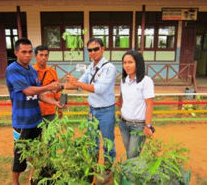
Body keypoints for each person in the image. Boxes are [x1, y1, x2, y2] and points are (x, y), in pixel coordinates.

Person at [5, 38, 62, 185]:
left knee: (35, 150)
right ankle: (15, 181)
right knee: (20, 153)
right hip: (22, 121)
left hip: (36, 120)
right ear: (16, 52)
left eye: (30, 52)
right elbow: (28, 91)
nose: (27, 55)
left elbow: (39, 95)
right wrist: (49, 87)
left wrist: (54, 102)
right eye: (24, 52)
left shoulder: (31, 70)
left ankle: (32, 176)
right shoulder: (12, 69)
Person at [66, 38, 116, 169]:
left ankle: (107, 169)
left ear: (102, 49)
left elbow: (99, 89)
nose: (93, 52)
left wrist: (77, 83)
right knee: (92, 141)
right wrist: (61, 87)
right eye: (90, 50)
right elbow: (80, 85)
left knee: (108, 142)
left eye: (96, 49)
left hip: (106, 111)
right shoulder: (91, 67)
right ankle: (93, 167)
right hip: (92, 110)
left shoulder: (109, 68)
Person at [119, 50, 155, 159]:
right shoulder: (124, 80)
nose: (127, 65)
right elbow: (123, 99)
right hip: (123, 124)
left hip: (138, 125)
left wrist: (148, 126)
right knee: (130, 154)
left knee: (132, 156)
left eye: (130, 62)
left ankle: (131, 175)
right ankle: (133, 174)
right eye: (124, 62)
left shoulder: (146, 81)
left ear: (138, 63)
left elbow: (149, 105)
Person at [33, 45, 63, 121]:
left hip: (50, 110)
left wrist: (60, 107)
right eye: (41, 55)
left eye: (46, 55)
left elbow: (57, 92)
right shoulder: (31, 72)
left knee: (51, 132)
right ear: (35, 56)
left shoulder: (52, 72)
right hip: (35, 111)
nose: (44, 57)